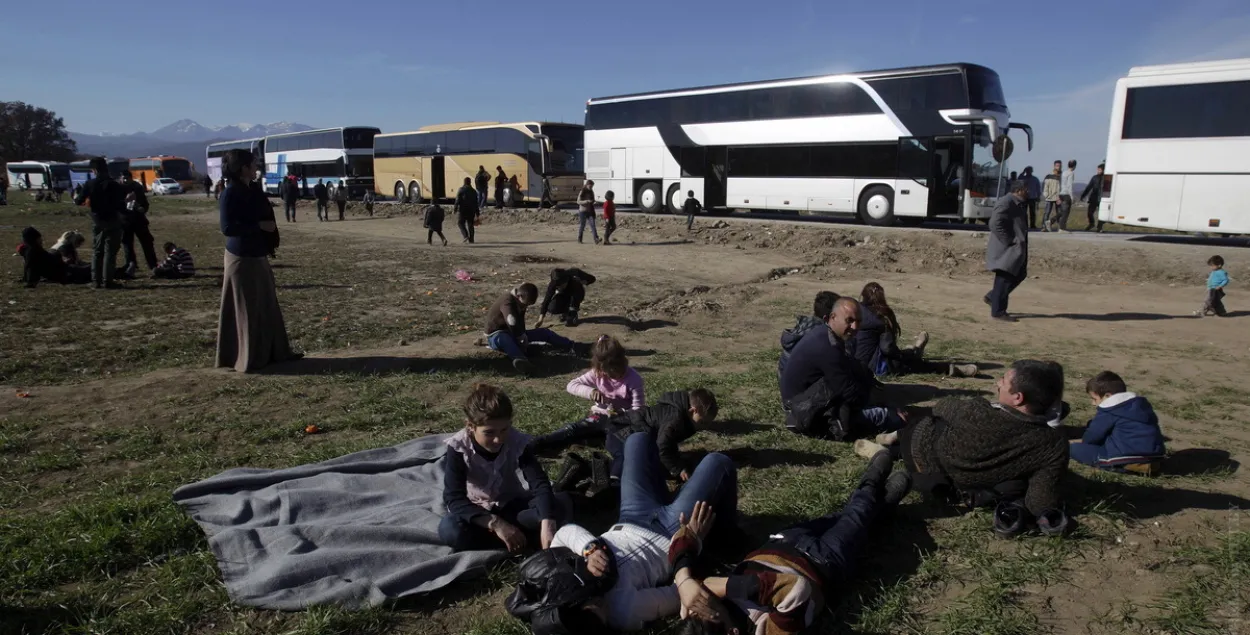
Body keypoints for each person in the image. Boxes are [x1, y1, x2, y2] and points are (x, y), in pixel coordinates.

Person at [505, 432, 738, 633]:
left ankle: (666, 492)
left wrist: (589, 548)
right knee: (718, 462)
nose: (600, 605)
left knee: (638, 439)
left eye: (590, 604)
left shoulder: (562, 580)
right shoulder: (624, 611)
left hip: (631, 516)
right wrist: (693, 544)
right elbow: (679, 593)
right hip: (672, 533)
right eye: (600, 617)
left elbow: (565, 533)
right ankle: (725, 536)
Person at [671, 451, 912, 635]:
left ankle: (884, 503)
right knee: (858, 513)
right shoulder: (764, 630)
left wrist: (685, 581)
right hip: (822, 561)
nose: (704, 602)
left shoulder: (698, 612)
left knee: (851, 516)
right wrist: (724, 586)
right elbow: (796, 591)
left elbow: (678, 545)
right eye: (710, 608)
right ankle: (873, 478)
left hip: (782, 541)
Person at [893, 360, 1070, 537]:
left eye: (1004, 380)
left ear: (1018, 397)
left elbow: (943, 405)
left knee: (929, 423)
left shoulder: (979, 411)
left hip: (925, 458)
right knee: (1018, 483)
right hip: (973, 486)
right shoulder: (1053, 444)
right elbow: (1040, 503)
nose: (998, 383)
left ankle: (894, 440)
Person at [439, 384, 571, 552]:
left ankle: (513, 540)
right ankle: (517, 539)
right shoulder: (458, 448)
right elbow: (454, 498)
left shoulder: (517, 441)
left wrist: (548, 524)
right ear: (470, 426)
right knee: (450, 530)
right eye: (489, 432)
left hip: (511, 505)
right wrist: (496, 524)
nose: (498, 439)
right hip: (477, 512)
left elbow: (539, 483)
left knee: (552, 510)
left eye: (504, 430)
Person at [216, 148, 299, 373]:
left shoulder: (250, 189)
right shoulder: (230, 192)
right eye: (252, 164)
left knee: (266, 305)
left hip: (257, 254)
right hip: (241, 258)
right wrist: (259, 226)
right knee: (246, 310)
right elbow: (227, 228)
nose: (256, 168)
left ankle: (273, 352)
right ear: (243, 168)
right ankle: (247, 357)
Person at [535, 387, 717, 489]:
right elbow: (663, 445)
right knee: (627, 458)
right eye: (703, 422)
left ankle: (548, 441)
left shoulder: (677, 408)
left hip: (620, 421)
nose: (704, 426)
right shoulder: (676, 419)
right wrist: (677, 468)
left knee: (579, 430)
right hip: (622, 429)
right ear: (692, 410)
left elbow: (667, 442)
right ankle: (612, 482)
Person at [780, 297, 902, 441]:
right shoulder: (827, 347)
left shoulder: (825, 333)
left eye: (858, 321)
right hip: (801, 409)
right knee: (888, 417)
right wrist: (879, 405)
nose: (855, 327)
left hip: (806, 397)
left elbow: (850, 369)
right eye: (849, 320)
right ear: (833, 317)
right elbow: (848, 393)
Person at [853, 282, 978, 378]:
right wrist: (901, 356)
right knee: (918, 365)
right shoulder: (880, 319)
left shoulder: (853, 314)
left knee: (907, 356)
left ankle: (914, 351)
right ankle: (951, 369)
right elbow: (887, 348)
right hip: (876, 367)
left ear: (863, 296)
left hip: (854, 365)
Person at [1069, 371, 1166, 475]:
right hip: (1155, 456)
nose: (1093, 403)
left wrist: (1075, 442)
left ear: (1107, 396)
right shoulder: (1139, 405)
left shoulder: (1109, 409)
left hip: (1127, 457)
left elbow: (1092, 438)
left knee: (1072, 449)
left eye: (1094, 399)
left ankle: (1129, 467)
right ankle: (1145, 465)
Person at [484, 283, 587, 374]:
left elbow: (519, 322)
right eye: (525, 304)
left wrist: (522, 335)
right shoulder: (507, 301)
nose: (525, 307)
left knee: (544, 333)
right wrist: (521, 337)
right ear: (519, 296)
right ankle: (521, 360)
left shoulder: (520, 301)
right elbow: (512, 321)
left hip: (513, 333)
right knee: (504, 339)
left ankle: (572, 346)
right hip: (496, 335)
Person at [73, 156, 126, 289]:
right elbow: (122, 203)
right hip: (113, 220)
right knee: (110, 252)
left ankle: (96, 280)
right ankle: (108, 280)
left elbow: (79, 200)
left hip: (97, 220)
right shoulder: (114, 184)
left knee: (97, 251)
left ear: (94, 170)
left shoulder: (90, 184)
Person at [565, 335, 646, 417]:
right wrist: (591, 392)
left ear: (624, 361)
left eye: (618, 370)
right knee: (579, 427)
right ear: (600, 368)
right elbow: (571, 385)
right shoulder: (597, 374)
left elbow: (638, 409)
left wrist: (622, 415)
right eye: (610, 373)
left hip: (625, 418)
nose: (615, 375)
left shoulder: (634, 379)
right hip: (600, 414)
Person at [985, 180, 1030, 322]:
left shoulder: (1018, 203)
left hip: (1015, 247)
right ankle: (998, 312)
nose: (1028, 192)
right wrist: (1009, 239)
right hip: (1006, 248)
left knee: (1020, 273)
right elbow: (994, 223)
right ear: (1019, 190)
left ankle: (993, 297)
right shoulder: (1006, 202)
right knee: (1004, 276)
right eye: (1026, 189)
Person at [777, 291, 840, 383]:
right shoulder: (821, 337)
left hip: (785, 381)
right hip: (799, 388)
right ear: (828, 318)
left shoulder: (805, 325)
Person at [120, 171, 158, 279]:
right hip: (125, 221)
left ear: (131, 178)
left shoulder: (137, 188)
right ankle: (131, 265)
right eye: (124, 178)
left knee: (147, 243)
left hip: (139, 220)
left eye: (127, 178)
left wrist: (143, 209)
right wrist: (125, 201)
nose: (125, 180)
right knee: (127, 245)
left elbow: (145, 203)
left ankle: (153, 265)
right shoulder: (118, 189)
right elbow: (116, 204)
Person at [454, 176, 479, 243]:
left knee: (460, 223)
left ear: (464, 182)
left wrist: (455, 209)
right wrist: (477, 212)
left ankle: (465, 235)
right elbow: (476, 202)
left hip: (463, 210)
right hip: (472, 210)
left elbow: (457, 200)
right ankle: (471, 239)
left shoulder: (461, 189)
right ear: (470, 182)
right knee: (470, 224)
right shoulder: (474, 191)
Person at [1081, 163, 1104, 232]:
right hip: (1094, 197)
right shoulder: (1094, 177)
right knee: (1090, 212)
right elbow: (1089, 187)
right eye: (1098, 169)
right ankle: (1091, 223)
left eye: (1099, 170)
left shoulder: (1106, 178)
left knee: (1101, 214)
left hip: (1102, 198)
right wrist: (1083, 195)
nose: (1098, 171)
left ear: (1103, 170)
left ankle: (1099, 227)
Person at [577, 180, 600, 244]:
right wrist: (586, 201)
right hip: (582, 211)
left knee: (593, 225)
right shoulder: (582, 191)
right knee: (582, 225)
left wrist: (594, 202)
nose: (591, 187)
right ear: (587, 185)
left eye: (592, 186)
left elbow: (593, 200)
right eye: (590, 186)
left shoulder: (591, 192)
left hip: (590, 211)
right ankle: (580, 238)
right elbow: (578, 201)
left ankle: (596, 239)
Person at [1056, 159, 1077, 233]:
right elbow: (1069, 186)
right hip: (1067, 194)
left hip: (1061, 193)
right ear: (1074, 166)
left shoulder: (1064, 172)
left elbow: (1061, 184)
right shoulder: (1071, 173)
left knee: (1062, 211)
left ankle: (1051, 221)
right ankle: (1062, 228)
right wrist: (1072, 197)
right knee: (1066, 212)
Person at [1040, 161, 1061, 232]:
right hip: (1049, 197)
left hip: (1058, 197)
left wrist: (1060, 196)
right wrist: (1046, 194)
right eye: (1057, 166)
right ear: (1054, 166)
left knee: (1059, 212)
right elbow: (1045, 186)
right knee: (1047, 212)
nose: (1058, 167)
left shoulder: (1061, 176)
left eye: (1059, 166)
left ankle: (1059, 227)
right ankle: (1044, 226)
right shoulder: (1049, 176)